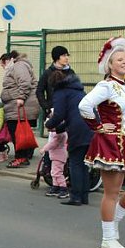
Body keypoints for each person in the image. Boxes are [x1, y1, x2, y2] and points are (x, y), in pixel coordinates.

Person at [78, 37, 125, 248]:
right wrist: (98, 127)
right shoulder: (106, 86)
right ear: (110, 64)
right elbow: (85, 105)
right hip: (112, 143)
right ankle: (108, 237)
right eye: (119, 60)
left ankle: (115, 219)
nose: (124, 62)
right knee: (112, 192)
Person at [45, 67, 93, 206]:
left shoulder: (61, 92)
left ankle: (76, 197)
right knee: (84, 164)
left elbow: (60, 114)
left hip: (78, 130)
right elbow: (71, 113)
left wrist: (49, 124)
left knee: (75, 163)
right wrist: (60, 128)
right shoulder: (78, 90)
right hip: (89, 126)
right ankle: (84, 196)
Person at [0, 50, 39, 168]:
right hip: (15, 106)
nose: (3, 67)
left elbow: (25, 82)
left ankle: (21, 158)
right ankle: (23, 156)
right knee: (19, 132)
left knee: (17, 133)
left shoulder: (19, 65)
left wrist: (21, 97)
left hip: (19, 106)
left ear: (9, 60)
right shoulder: (19, 66)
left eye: (3, 64)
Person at [36, 45, 72, 112]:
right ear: (57, 57)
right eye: (64, 55)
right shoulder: (47, 73)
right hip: (53, 111)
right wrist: (46, 107)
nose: (67, 58)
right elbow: (39, 91)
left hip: (69, 110)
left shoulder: (71, 72)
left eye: (67, 55)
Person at [42, 128, 69, 199]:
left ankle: (63, 188)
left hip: (58, 156)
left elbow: (53, 143)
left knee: (57, 173)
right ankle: (55, 186)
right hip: (56, 156)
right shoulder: (59, 133)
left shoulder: (59, 134)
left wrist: (44, 149)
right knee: (54, 172)